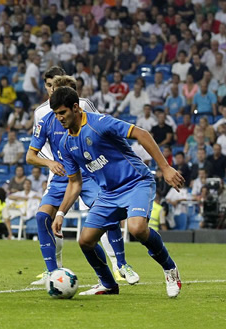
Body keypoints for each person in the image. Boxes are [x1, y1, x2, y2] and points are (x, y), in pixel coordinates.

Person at [50, 86, 183, 297]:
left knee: (137, 228)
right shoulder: (66, 143)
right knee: (85, 241)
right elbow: (75, 183)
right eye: (56, 114)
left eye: (62, 113)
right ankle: (109, 285)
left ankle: (170, 268)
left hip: (136, 182)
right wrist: (60, 213)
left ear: (75, 108)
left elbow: (141, 133)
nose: (59, 118)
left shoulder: (99, 123)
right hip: (109, 194)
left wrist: (165, 168)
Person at [26, 68, 138, 285]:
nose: (53, 92)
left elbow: (98, 130)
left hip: (88, 174)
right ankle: (52, 271)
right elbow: (31, 154)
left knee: (108, 213)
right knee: (42, 217)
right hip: (61, 175)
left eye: (57, 88)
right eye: (50, 87)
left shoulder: (84, 108)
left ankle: (121, 264)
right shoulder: (43, 117)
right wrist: (50, 162)